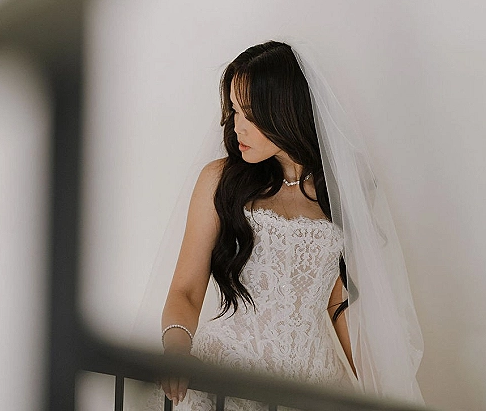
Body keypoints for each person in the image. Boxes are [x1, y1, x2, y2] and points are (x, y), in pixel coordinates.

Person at [156, 41, 423, 409]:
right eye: (234, 111)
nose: (237, 128)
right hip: (229, 379)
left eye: (250, 114)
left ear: (284, 111)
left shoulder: (337, 193)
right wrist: (176, 350)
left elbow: (335, 305)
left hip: (311, 385)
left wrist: (379, 394)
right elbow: (184, 290)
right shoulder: (219, 182)